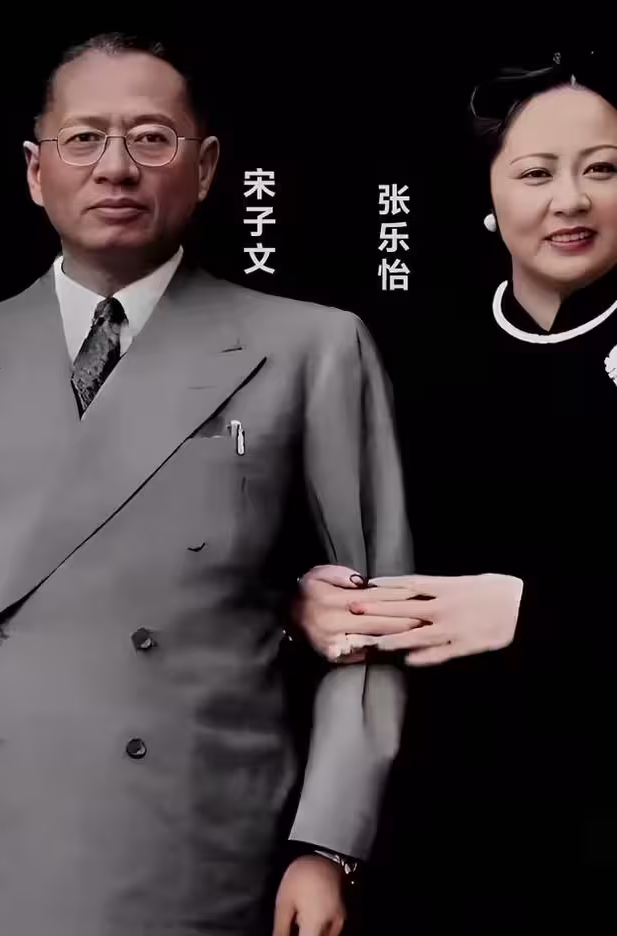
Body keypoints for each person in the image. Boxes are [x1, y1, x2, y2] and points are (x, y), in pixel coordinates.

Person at [0, 32, 413, 936]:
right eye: (84, 139)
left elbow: (378, 617)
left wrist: (328, 844)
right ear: (35, 172)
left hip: (194, 841)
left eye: (150, 139)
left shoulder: (311, 346)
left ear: (206, 167)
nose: (116, 168)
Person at [295, 52, 617, 932]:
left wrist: (537, 613)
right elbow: (325, 545)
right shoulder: (415, 354)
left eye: (603, 170)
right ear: (489, 194)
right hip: (441, 819)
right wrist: (305, 602)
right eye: (536, 173)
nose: (571, 200)